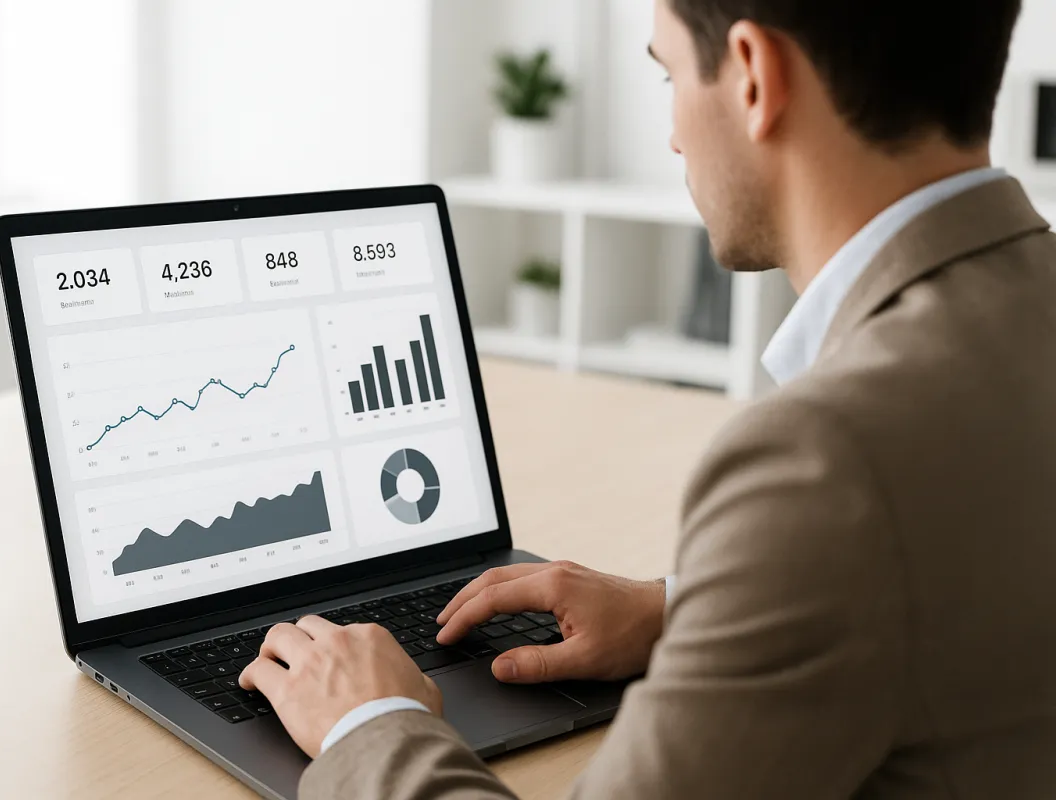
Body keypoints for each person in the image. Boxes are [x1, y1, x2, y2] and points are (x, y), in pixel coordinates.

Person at [241, 0, 1056, 796]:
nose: (671, 133)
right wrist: (687, 610)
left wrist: (369, 724)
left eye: (667, 74)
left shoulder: (828, 459)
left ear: (752, 76)